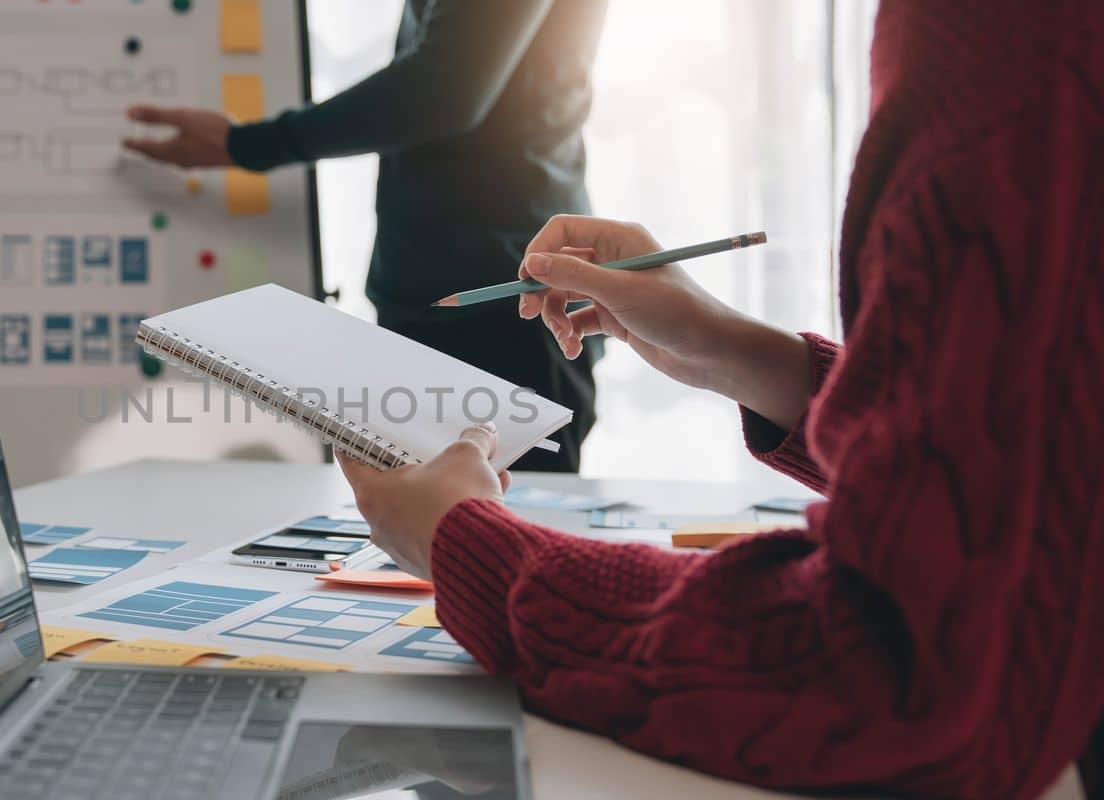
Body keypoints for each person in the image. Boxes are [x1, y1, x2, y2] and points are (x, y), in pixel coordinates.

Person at [336, 1, 1104, 797]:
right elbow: (1023, 450)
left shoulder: (1011, 40)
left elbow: (891, 670)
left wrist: (467, 548)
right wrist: (749, 356)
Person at [123, 0, 609, 472]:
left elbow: (445, 90)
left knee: (510, 537)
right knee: (420, 536)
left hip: (506, 297)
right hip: (445, 290)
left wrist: (250, 144)